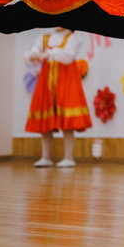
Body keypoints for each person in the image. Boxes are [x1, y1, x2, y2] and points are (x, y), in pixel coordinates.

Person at [25, 27, 91, 168]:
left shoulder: (73, 38)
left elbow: (68, 57)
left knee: (67, 120)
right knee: (46, 119)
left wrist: (48, 53)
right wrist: (33, 55)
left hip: (66, 79)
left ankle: (68, 157)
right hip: (46, 81)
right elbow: (35, 51)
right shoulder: (45, 37)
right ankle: (45, 157)